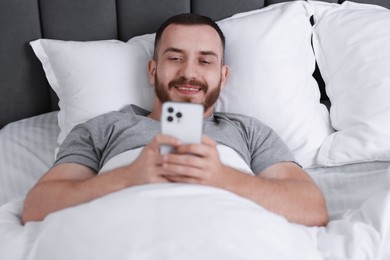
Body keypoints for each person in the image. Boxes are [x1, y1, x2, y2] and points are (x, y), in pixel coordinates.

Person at [22, 13, 328, 226]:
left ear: (223, 77)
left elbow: (312, 209)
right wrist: (128, 176)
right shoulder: (104, 127)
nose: (189, 73)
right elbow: (37, 207)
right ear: (153, 70)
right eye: (175, 57)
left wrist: (223, 177)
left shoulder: (249, 132)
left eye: (205, 60)